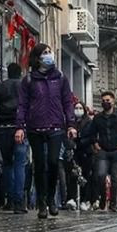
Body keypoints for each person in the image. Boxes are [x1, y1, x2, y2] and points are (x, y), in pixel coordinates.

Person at [16, 44, 77, 219]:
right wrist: (20, 126)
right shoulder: (29, 80)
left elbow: (67, 102)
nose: (49, 55)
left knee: (53, 162)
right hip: (35, 127)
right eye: (45, 53)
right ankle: (42, 201)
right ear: (37, 58)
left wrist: (71, 124)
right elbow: (22, 105)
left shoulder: (61, 78)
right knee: (39, 165)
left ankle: (51, 198)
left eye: (50, 52)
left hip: (56, 127)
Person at [0, 63, 27, 214]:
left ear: (7, 73)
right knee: (20, 164)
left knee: (8, 164)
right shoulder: (24, 86)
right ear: (20, 72)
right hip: (20, 128)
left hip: (3, 129)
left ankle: (10, 199)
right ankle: (19, 201)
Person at [88, 91, 117, 211]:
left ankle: (113, 203)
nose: (105, 103)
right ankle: (102, 198)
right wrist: (97, 146)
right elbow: (92, 134)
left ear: (113, 101)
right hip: (103, 151)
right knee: (100, 175)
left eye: (108, 100)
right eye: (103, 101)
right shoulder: (97, 118)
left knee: (115, 178)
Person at [68, 101, 93, 210]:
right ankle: (72, 198)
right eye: (76, 108)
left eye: (80, 108)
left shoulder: (89, 122)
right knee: (73, 174)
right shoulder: (71, 123)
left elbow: (91, 137)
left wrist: (80, 141)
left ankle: (84, 199)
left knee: (85, 176)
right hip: (74, 151)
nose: (78, 110)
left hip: (85, 152)